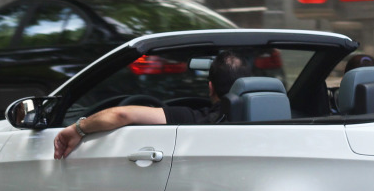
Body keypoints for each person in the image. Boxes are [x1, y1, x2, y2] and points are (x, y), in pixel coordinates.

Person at [54, 50, 250, 160]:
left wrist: (78, 128)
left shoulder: (197, 119)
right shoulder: (277, 120)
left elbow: (121, 116)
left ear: (210, 87)